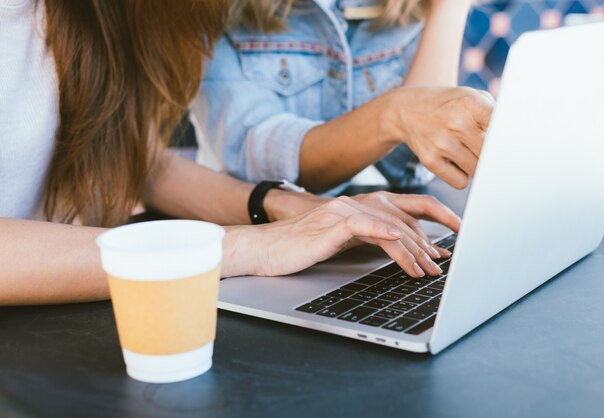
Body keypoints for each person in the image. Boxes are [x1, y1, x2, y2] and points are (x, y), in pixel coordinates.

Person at [0, 0, 483, 305]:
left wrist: (296, 209)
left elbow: (142, 163)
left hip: (66, 320)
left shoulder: (91, 14)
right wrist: (245, 246)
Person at [192, 0, 492, 193]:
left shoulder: (406, 7)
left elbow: (416, 160)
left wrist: (450, 7)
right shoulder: (221, 11)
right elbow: (258, 163)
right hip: (250, 242)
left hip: (376, 230)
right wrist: (393, 113)